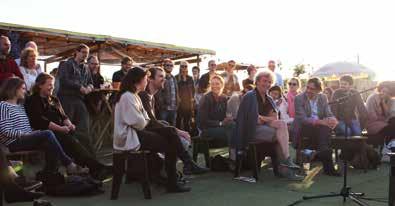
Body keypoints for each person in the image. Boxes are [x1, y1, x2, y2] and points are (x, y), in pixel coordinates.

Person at [113, 67, 191, 193]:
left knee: (170, 132)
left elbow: (144, 119)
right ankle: (178, 174)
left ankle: (183, 166)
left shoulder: (134, 96)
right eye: (145, 79)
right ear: (138, 81)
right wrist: (144, 120)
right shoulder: (127, 97)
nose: (146, 82)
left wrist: (144, 120)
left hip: (137, 133)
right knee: (171, 142)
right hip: (129, 138)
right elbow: (139, 123)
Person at [25, 73, 112, 180]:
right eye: (49, 85)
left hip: (61, 129)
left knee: (83, 136)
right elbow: (40, 121)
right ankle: (95, 168)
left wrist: (70, 125)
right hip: (45, 132)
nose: (52, 87)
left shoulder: (54, 99)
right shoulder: (33, 100)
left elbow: (64, 116)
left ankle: (93, 167)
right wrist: (61, 128)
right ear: (40, 85)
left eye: (52, 84)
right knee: (69, 140)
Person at [0, 77, 87, 175]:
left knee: (50, 143)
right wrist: (26, 134)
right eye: (23, 89)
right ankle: (69, 164)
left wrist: (32, 132)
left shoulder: (20, 106)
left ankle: (50, 174)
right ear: (14, 89)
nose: (25, 91)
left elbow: (25, 126)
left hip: (25, 138)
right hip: (14, 142)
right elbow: (4, 129)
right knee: (48, 134)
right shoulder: (3, 105)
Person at [231, 71, 301, 180]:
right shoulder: (250, 96)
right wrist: (265, 119)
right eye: (264, 81)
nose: (267, 84)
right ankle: (286, 168)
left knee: (282, 125)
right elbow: (255, 121)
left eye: (269, 82)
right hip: (250, 131)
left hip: (263, 128)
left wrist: (263, 118)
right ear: (257, 81)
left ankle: (286, 162)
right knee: (279, 135)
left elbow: (274, 118)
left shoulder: (268, 98)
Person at [139, 66, 209, 175]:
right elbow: (151, 123)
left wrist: (175, 129)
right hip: (142, 136)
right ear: (150, 79)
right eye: (160, 76)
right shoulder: (143, 95)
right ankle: (177, 170)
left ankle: (178, 169)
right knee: (178, 140)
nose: (164, 79)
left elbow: (156, 121)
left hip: (149, 131)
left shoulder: (151, 96)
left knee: (177, 135)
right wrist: (178, 131)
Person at [293, 77, 340, 176]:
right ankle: (328, 167)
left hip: (320, 127)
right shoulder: (299, 98)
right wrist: (320, 122)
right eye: (307, 88)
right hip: (304, 127)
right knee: (324, 130)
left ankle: (320, 152)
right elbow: (303, 119)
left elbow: (328, 112)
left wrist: (332, 119)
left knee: (325, 129)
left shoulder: (322, 97)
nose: (308, 91)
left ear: (319, 90)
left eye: (312, 89)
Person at [57, 44, 95, 154]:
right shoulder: (66, 64)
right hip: (66, 98)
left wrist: (89, 87)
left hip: (79, 99)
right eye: (83, 52)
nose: (85, 55)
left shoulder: (86, 68)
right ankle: (65, 154)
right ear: (76, 52)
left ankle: (84, 154)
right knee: (67, 127)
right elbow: (64, 80)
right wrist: (79, 87)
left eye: (87, 53)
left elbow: (90, 82)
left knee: (84, 127)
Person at [198, 75, 234, 146]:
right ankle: (233, 154)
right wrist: (220, 123)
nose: (215, 86)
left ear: (222, 85)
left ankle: (239, 151)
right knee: (230, 131)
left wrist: (228, 119)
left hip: (219, 127)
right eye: (212, 84)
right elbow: (203, 121)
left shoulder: (224, 98)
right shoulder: (206, 98)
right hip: (206, 129)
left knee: (234, 125)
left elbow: (226, 114)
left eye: (217, 84)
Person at [366, 81, 395, 162]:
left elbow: (387, 114)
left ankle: (387, 151)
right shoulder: (372, 98)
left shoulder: (388, 99)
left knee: (393, 121)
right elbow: (372, 116)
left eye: (387, 92)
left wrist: (383, 102)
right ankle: (386, 152)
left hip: (383, 124)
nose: (384, 93)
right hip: (372, 124)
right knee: (392, 127)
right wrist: (384, 119)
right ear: (379, 89)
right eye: (383, 91)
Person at [156, 59, 178, 126]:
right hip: (164, 109)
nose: (169, 67)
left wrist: (177, 104)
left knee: (173, 128)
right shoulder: (161, 77)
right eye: (167, 65)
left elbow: (176, 92)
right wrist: (162, 105)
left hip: (173, 108)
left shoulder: (174, 78)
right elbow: (158, 93)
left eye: (171, 65)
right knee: (163, 128)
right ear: (163, 66)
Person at [175, 61, 194, 132]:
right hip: (179, 103)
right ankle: (179, 138)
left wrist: (192, 99)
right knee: (178, 122)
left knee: (187, 122)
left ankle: (188, 137)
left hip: (188, 103)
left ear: (187, 67)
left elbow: (193, 90)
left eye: (185, 66)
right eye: (182, 66)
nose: (183, 68)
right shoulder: (176, 77)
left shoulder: (190, 78)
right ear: (180, 67)